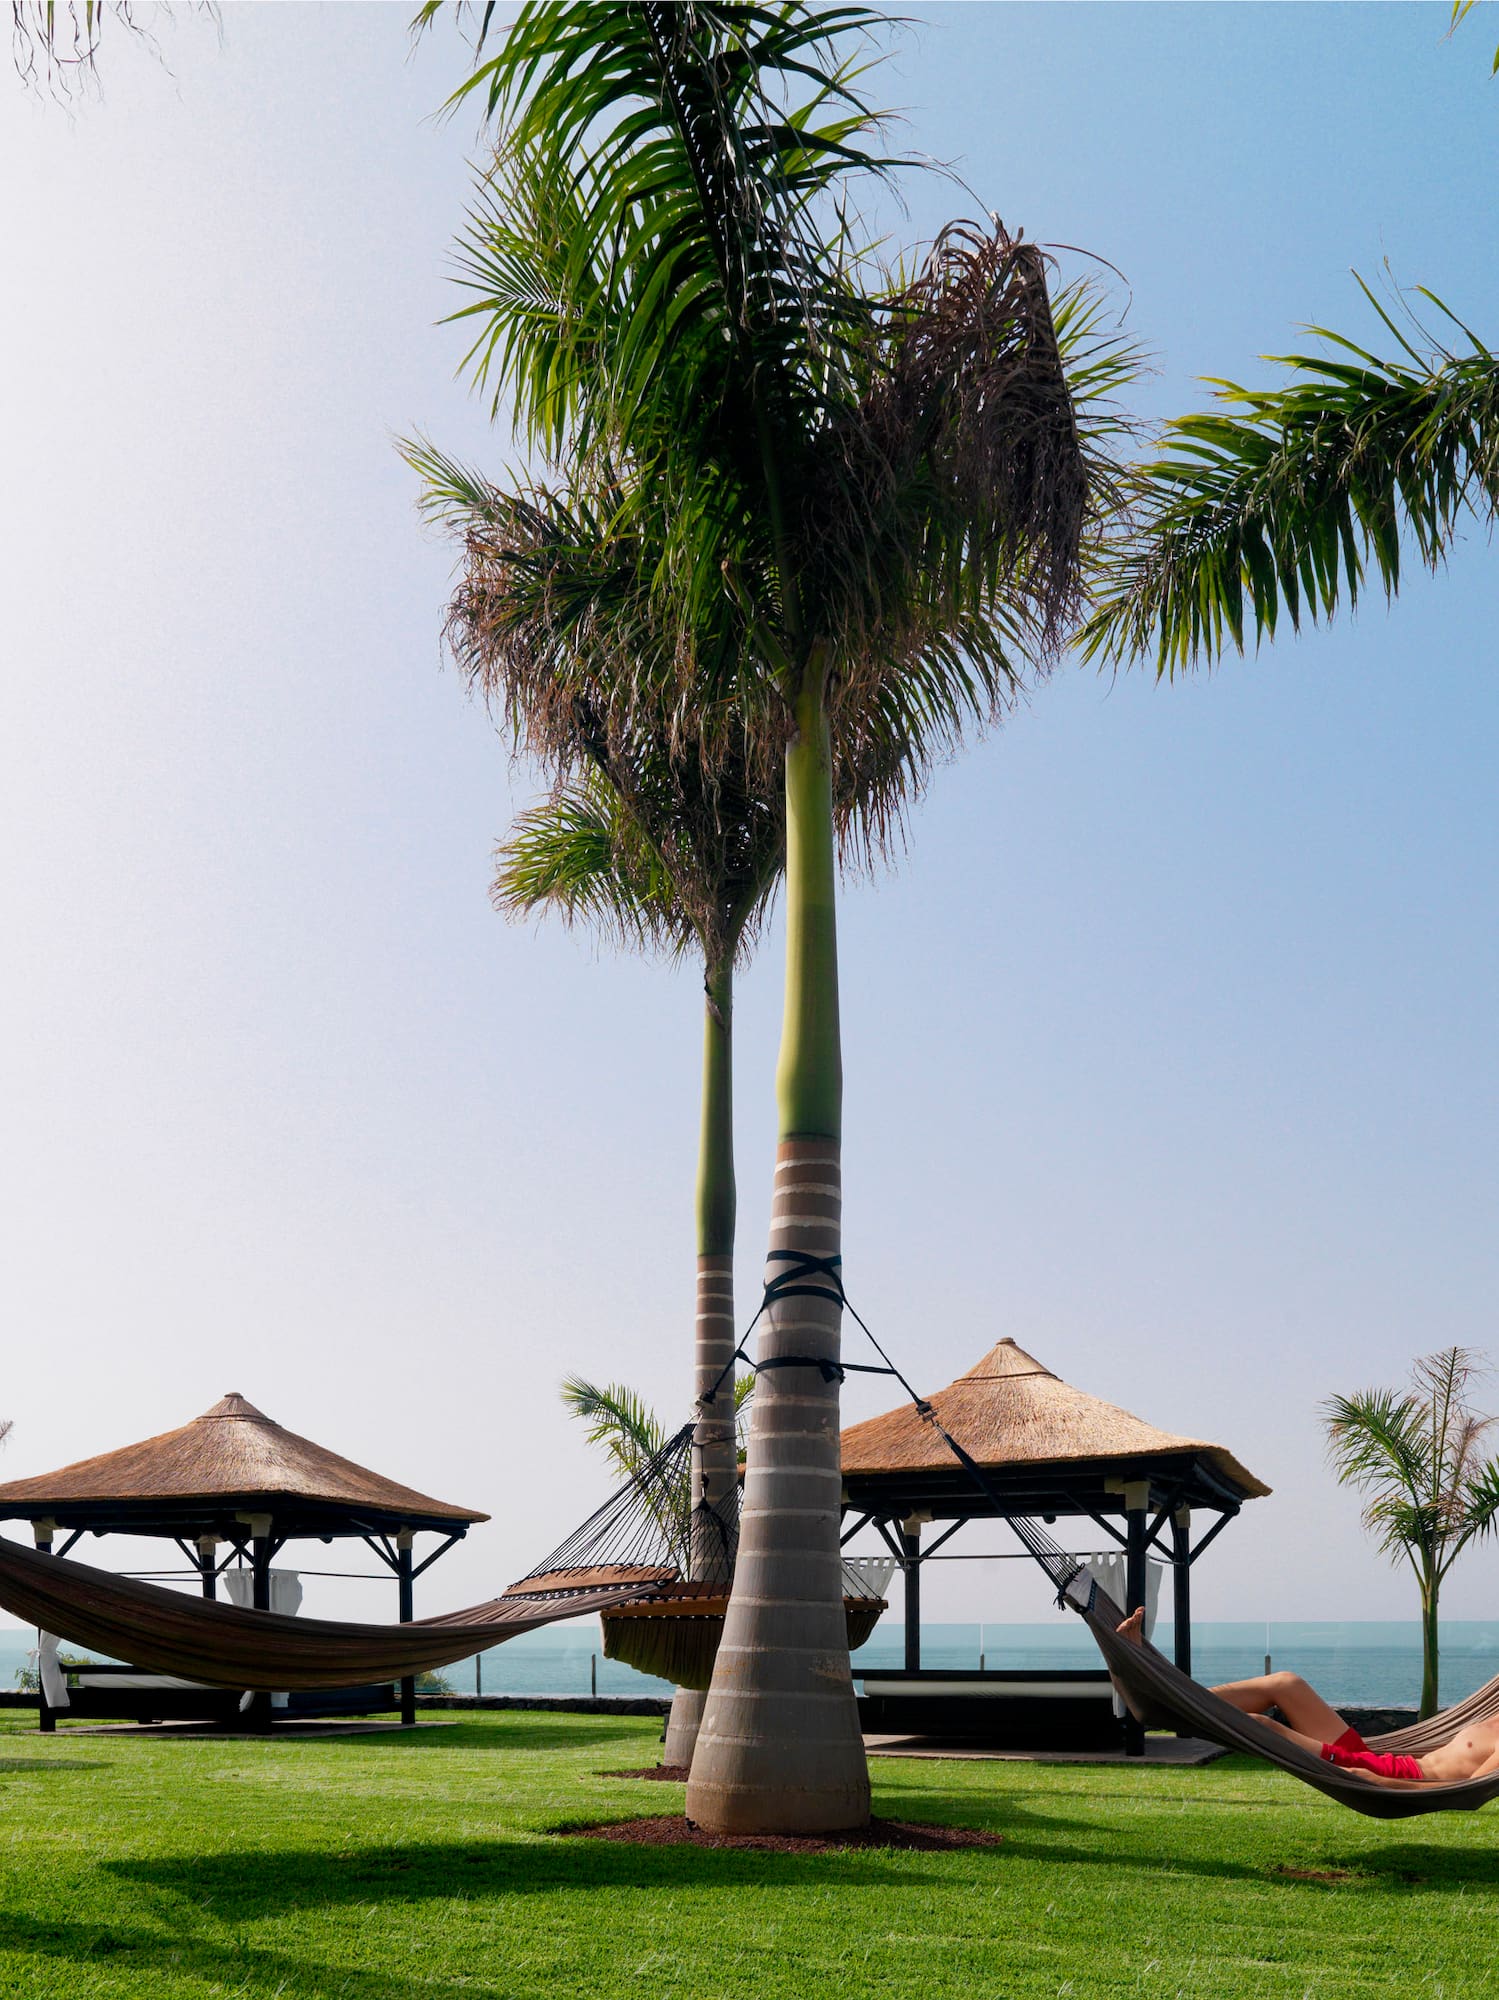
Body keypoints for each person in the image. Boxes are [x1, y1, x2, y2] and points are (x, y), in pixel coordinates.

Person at [1115, 1608, 1499, 1788]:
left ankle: (1159, 1700)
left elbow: (1465, 1790)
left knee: (1262, 1726)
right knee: (1285, 1683)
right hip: (1379, 1757)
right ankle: (1166, 1692)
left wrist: (1372, 1781)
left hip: (1385, 1773)